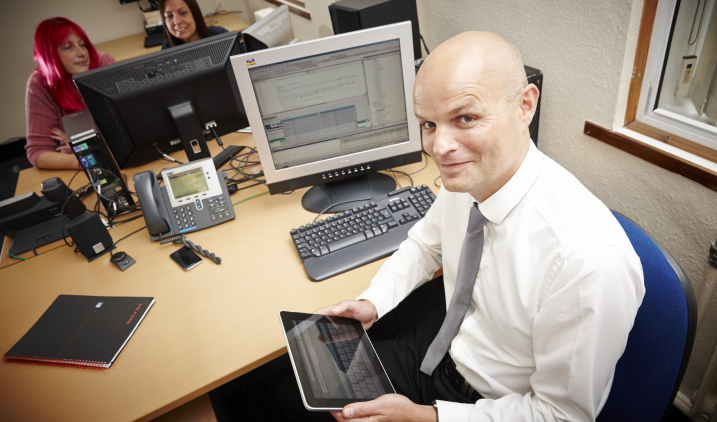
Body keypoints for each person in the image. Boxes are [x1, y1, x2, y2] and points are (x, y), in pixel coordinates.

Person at [275, 32, 645, 422]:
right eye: (429, 124)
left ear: (525, 106)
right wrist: (374, 302)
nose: (439, 147)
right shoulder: (470, 175)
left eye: (465, 118)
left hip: (494, 404)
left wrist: (427, 418)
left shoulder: (588, 263)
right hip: (441, 347)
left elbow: (560, 415)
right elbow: (425, 244)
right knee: (294, 390)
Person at [25, 17, 116, 170]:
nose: (82, 53)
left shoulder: (102, 63)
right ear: (50, 54)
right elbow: (37, 153)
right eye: (68, 47)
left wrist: (83, 148)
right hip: (93, 168)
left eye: (82, 45)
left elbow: (133, 123)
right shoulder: (39, 83)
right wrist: (87, 159)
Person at [159, 0, 227, 50]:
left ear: (195, 14)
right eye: (169, 16)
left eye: (183, 13)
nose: (176, 21)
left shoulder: (220, 35)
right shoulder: (167, 47)